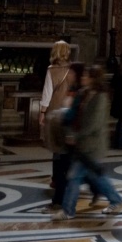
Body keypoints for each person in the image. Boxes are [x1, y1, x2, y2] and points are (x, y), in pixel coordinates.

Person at [53, 65, 122, 220]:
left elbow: (94, 124)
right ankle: (115, 200)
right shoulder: (84, 94)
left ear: (93, 78)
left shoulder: (101, 97)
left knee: (74, 177)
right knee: (95, 177)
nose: (83, 78)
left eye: (86, 75)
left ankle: (68, 210)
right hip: (83, 144)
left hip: (92, 145)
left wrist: (76, 136)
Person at [40, 40, 76, 195]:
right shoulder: (73, 69)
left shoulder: (51, 70)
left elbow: (47, 92)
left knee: (56, 147)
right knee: (68, 145)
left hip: (55, 112)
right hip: (69, 110)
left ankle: (56, 178)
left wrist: (42, 112)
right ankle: (68, 177)